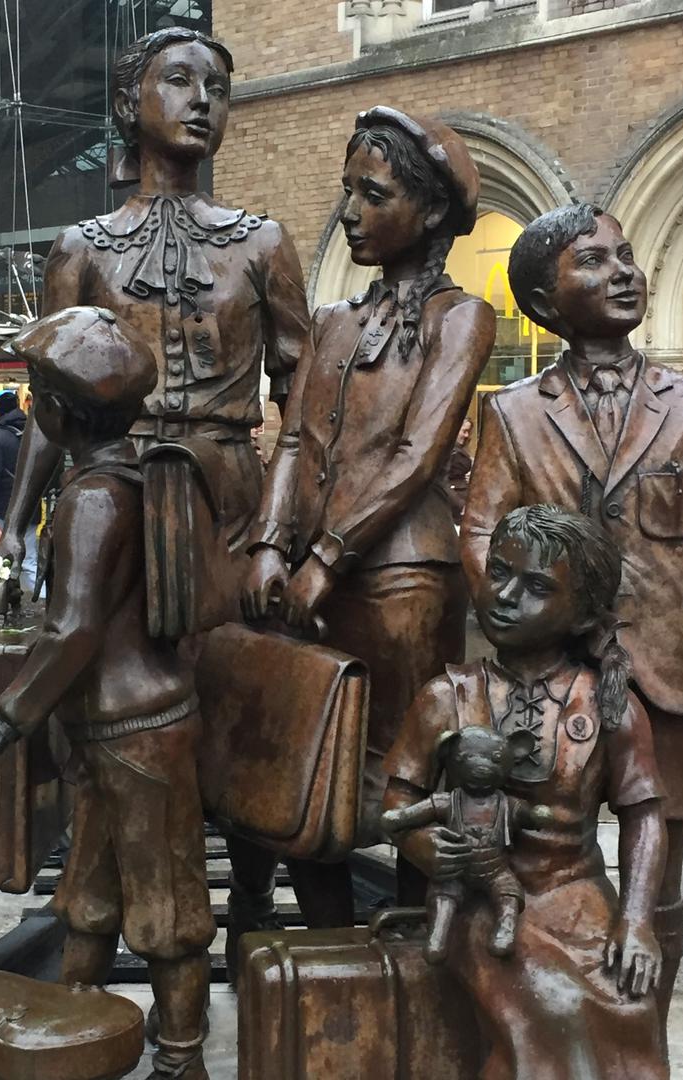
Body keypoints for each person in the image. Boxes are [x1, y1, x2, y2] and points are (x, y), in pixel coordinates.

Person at [0, 26, 311, 964]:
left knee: (239, 707)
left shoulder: (263, 243)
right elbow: (52, 408)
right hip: (112, 497)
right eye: (179, 80)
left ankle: (250, 904)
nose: (202, 99)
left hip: (226, 500)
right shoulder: (80, 247)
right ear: (132, 103)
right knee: (114, 715)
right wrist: (13, 527)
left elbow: (302, 401)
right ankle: (98, 903)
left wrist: (277, 539)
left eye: (217, 84)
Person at [461, 203, 683, 1049]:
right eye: (592, 261)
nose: (622, 270)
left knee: (657, 873)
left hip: (666, 666)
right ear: (545, 303)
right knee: (539, 853)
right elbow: (480, 531)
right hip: (550, 678)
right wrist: (521, 627)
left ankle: (644, 1043)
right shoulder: (515, 413)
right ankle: (540, 1029)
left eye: (626, 255)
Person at [241, 107, 496, 926]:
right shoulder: (331, 322)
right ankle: (327, 947)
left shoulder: (461, 319)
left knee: (408, 772)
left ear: (428, 214)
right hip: (310, 578)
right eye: (346, 192)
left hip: (403, 583)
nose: (349, 212)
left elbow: (417, 454)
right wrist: (271, 546)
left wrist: (328, 558)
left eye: (372, 194)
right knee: (309, 763)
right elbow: (293, 445)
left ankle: (416, 944)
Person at [0, 307, 215, 1080]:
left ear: (62, 412)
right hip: (111, 732)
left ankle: (180, 1059)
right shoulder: (122, 478)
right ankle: (71, 1027)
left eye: (37, 395)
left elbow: (74, 629)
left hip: (138, 730)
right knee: (88, 894)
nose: (35, 409)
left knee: (166, 910)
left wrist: (6, 721)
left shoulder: (96, 497)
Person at [383, 504, 667, 1079]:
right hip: (482, 900)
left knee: (630, 1007)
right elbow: (394, 803)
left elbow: (646, 815)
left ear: (584, 613)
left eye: (536, 586)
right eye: (499, 573)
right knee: (550, 1004)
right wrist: (424, 848)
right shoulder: (448, 696)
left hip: (577, 893)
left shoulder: (608, 705)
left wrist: (636, 920)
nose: (506, 596)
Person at [0, 390, 39, 602]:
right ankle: (49, 603)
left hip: (2, 510)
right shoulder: (34, 434)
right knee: (30, 561)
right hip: (30, 507)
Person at [447, 416, 474, 523]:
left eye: (469, 432)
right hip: (454, 506)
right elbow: (442, 481)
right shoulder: (448, 451)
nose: (467, 435)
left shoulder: (460, 450)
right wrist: (460, 505)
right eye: (464, 431)